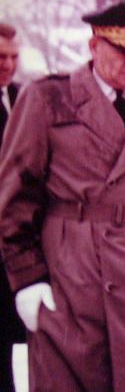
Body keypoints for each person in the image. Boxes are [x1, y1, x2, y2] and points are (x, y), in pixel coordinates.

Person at [0, 0, 125, 391]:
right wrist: (28, 280)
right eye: (122, 50)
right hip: (72, 279)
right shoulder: (48, 100)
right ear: (94, 45)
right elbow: (15, 199)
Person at [0, 22, 23, 392]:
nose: (8, 64)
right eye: (0, 57)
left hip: (15, 242)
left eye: (14, 56)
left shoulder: (24, 97)